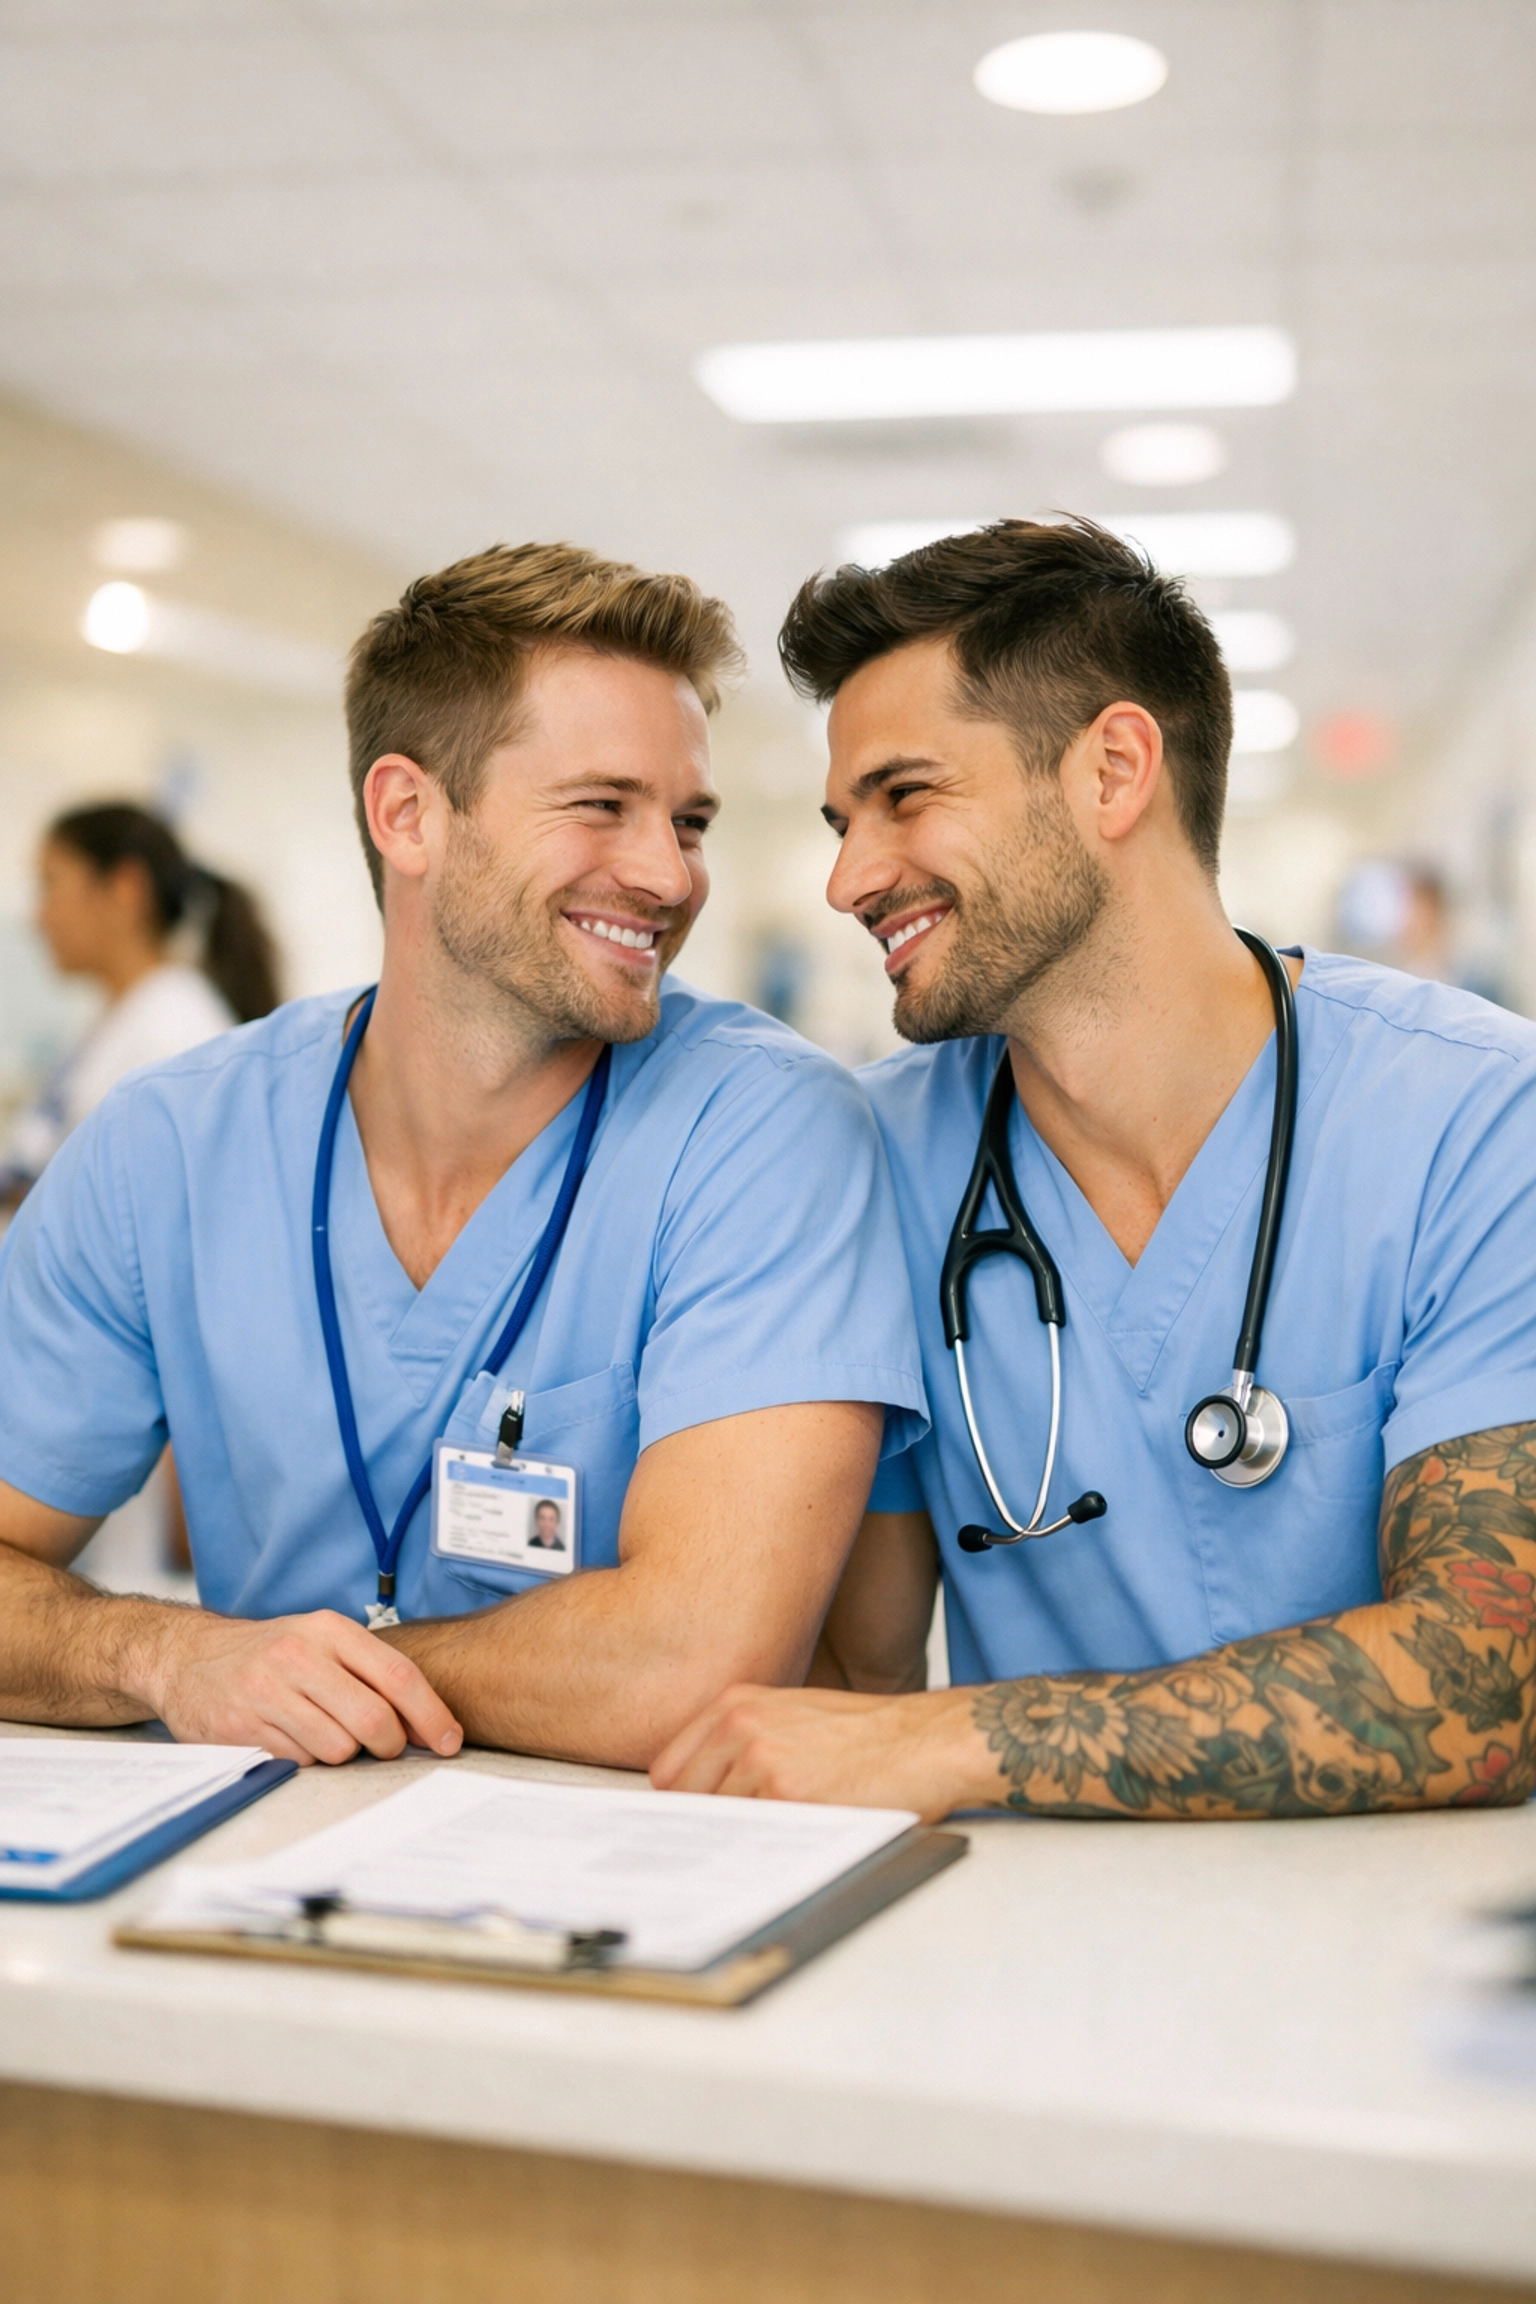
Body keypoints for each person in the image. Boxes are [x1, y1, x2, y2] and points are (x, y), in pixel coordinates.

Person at [653, 518, 1536, 1821]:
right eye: (845, 820)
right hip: (1041, 1943)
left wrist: (969, 1744)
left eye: (905, 796)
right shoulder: (875, 1158)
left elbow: (1482, 1684)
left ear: (1114, 771)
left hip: (1394, 1939)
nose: (848, 877)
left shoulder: (1473, 1121)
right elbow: (855, 1673)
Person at [0, 543, 924, 1771]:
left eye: (687, 820)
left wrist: (290, 1665)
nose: (668, 874)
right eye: (602, 805)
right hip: (248, 1872)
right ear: (409, 813)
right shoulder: (170, 1144)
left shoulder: (762, 1132)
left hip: (629, 1890)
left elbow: (697, 1661)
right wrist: (173, 1658)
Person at [0, 803, 279, 1205]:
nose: (37, 917)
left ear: (126, 888)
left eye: (50, 885)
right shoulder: (124, 1016)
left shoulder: (177, 1033)